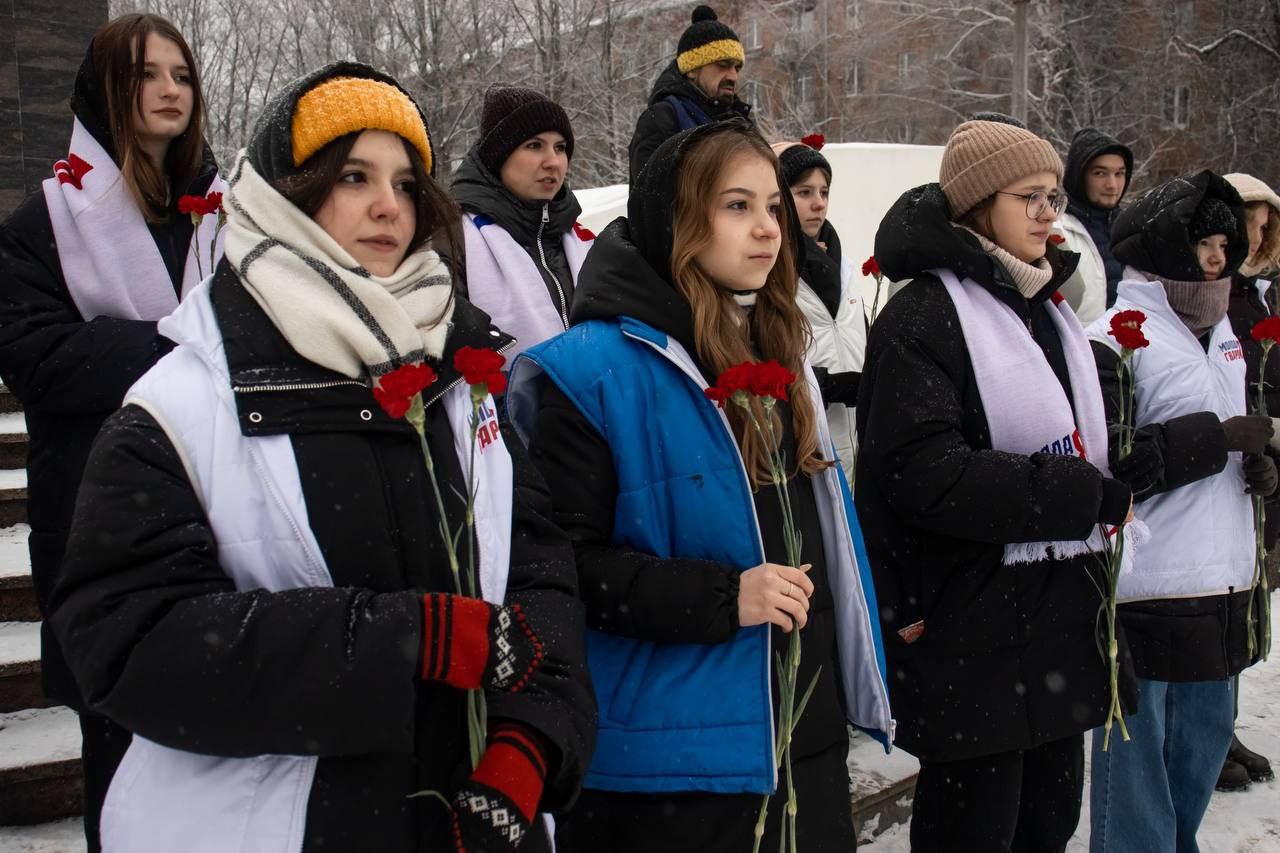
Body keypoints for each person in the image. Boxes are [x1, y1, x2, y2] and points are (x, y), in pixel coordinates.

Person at [47, 62, 594, 853]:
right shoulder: (183, 401)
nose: (389, 206)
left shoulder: (458, 377)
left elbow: (540, 574)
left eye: (406, 184)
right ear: (287, 193)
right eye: (353, 176)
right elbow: (124, 637)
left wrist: (528, 746)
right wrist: (401, 640)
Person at [506, 120, 892, 851]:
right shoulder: (590, 372)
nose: (768, 229)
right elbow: (562, 572)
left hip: (801, 735)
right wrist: (719, 597)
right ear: (679, 219)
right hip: (672, 770)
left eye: (773, 207)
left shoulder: (780, 347)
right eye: (736, 206)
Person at [857, 119, 1138, 852]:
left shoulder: (1047, 308)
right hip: (970, 628)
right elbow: (923, 473)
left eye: (1054, 196)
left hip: (1055, 618)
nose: (1050, 213)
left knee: (1047, 824)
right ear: (979, 205)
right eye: (1030, 197)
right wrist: (1075, 494)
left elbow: (1081, 437)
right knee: (974, 832)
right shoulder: (923, 314)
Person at [0, 14, 222, 850]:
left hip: (215, 505)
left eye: (181, 75)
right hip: (98, 516)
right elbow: (40, 359)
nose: (169, 90)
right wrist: (182, 342)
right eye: (146, 74)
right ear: (105, 90)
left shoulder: (223, 216)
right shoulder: (44, 223)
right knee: (119, 743)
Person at [1086, 170, 1273, 852]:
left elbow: (1221, 443)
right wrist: (1217, 439)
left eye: (1226, 245)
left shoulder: (1225, 334)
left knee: (1196, 765)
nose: (1218, 259)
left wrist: (1259, 469)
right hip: (1148, 591)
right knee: (1137, 792)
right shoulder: (1113, 338)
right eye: (1204, 244)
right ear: (1165, 246)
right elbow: (1111, 464)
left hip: (1222, 586)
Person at [451, 85, 593, 365]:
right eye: (534, 146)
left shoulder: (585, 239)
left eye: (560, 148)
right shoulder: (456, 237)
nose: (553, 162)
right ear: (498, 157)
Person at [1220, 172, 1280, 793]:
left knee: (1247, 602)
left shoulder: (1262, 292)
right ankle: (1214, 730)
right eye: (1246, 224)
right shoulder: (1219, 294)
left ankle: (1223, 724)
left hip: (1266, 461)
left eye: (1264, 227)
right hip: (1235, 457)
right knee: (1227, 604)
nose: (1255, 238)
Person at [772, 136, 863, 481]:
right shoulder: (771, 272)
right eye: (804, 192)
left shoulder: (845, 268)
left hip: (855, 442)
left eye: (824, 192)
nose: (818, 203)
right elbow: (763, 361)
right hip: (803, 450)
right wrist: (828, 385)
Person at [628, 5, 750, 186]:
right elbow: (651, 197)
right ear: (691, 69)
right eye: (723, 65)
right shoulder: (661, 120)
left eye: (737, 68)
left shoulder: (742, 120)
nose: (733, 76)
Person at [1054, 129, 1134, 322]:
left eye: (1119, 173)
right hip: (1078, 339)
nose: (1112, 184)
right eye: (1100, 173)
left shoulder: (1131, 229)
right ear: (1078, 176)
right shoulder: (1054, 228)